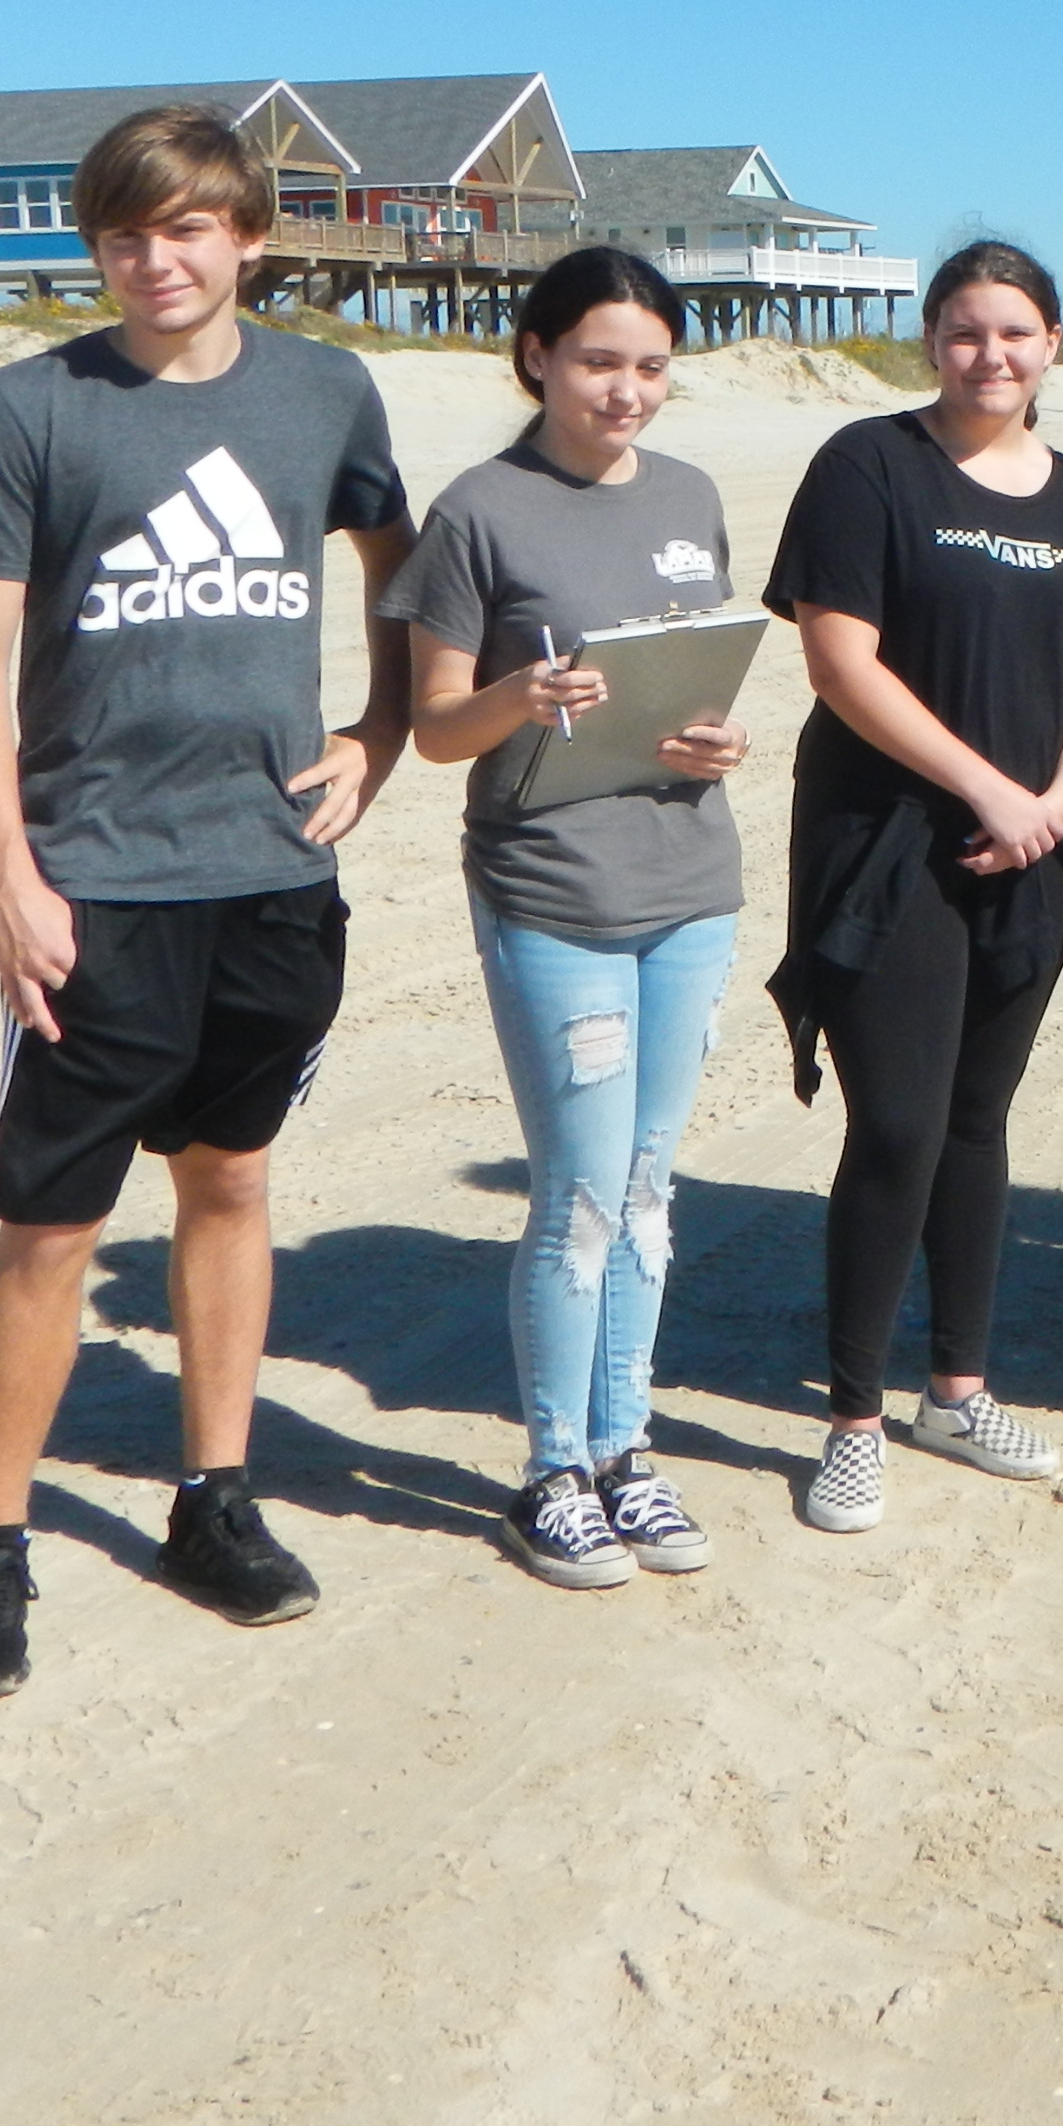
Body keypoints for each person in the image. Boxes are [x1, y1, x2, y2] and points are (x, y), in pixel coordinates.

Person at [0, 104, 412, 1702]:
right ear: (96, 244)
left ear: (251, 235)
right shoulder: (25, 408)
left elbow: (402, 577)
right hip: (97, 881)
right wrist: (7, 873)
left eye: (189, 228)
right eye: (127, 231)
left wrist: (379, 736)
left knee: (232, 1186)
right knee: (50, 1228)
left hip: (270, 876)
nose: (157, 258)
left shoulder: (327, 390)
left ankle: (215, 1497)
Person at [385, 249, 750, 1587]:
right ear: (535, 355)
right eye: (601, 360)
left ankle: (626, 1452)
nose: (627, 391)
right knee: (582, 1194)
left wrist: (715, 738)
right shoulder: (482, 510)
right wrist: (526, 698)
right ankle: (550, 1470)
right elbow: (433, 731)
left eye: (651, 366)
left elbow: (696, 672)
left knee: (651, 1192)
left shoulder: (692, 496)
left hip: (690, 884)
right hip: (552, 888)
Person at [765, 241, 1063, 1533]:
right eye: (968, 333)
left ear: (1053, 346)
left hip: (1031, 846)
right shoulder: (868, 466)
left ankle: (956, 1390)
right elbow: (840, 661)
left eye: (1018, 334)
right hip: (891, 847)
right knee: (899, 1127)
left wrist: (1053, 810)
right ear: (934, 340)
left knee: (979, 1125)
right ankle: (853, 1419)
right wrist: (987, 790)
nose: (993, 356)